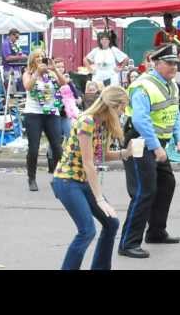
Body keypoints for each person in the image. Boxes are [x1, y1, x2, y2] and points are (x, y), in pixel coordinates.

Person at [51, 86, 135, 270]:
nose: (123, 112)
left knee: (111, 224)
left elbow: (101, 155)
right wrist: (99, 199)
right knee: (87, 231)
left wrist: (125, 153)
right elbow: (89, 163)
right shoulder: (86, 121)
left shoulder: (103, 124)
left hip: (83, 182)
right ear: (113, 105)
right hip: (67, 181)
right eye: (122, 107)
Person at [119, 44, 180, 259]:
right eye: (169, 63)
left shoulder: (171, 85)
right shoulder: (143, 85)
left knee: (167, 184)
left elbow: (174, 112)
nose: (173, 67)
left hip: (158, 144)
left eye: (176, 63)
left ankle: (156, 232)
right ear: (156, 63)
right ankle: (128, 242)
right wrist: (156, 146)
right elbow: (140, 120)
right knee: (143, 191)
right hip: (139, 142)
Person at [22, 49, 67, 191]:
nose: (41, 59)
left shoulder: (51, 74)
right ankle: (32, 178)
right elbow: (28, 86)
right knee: (34, 148)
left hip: (51, 113)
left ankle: (61, 177)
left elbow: (64, 83)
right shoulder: (28, 73)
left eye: (42, 56)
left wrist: (54, 69)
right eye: (37, 57)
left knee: (57, 147)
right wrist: (37, 73)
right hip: (33, 113)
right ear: (32, 60)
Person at [47, 58, 82, 173]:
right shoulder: (49, 79)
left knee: (71, 135)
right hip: (54, 114)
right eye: (58, 66)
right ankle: (52, 162)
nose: (60, 69)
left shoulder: (66, 80)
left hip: (65, 114)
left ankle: (72, 160)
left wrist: (75, 99)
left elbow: (77, 97)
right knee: (55, 139)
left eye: (62, 66)